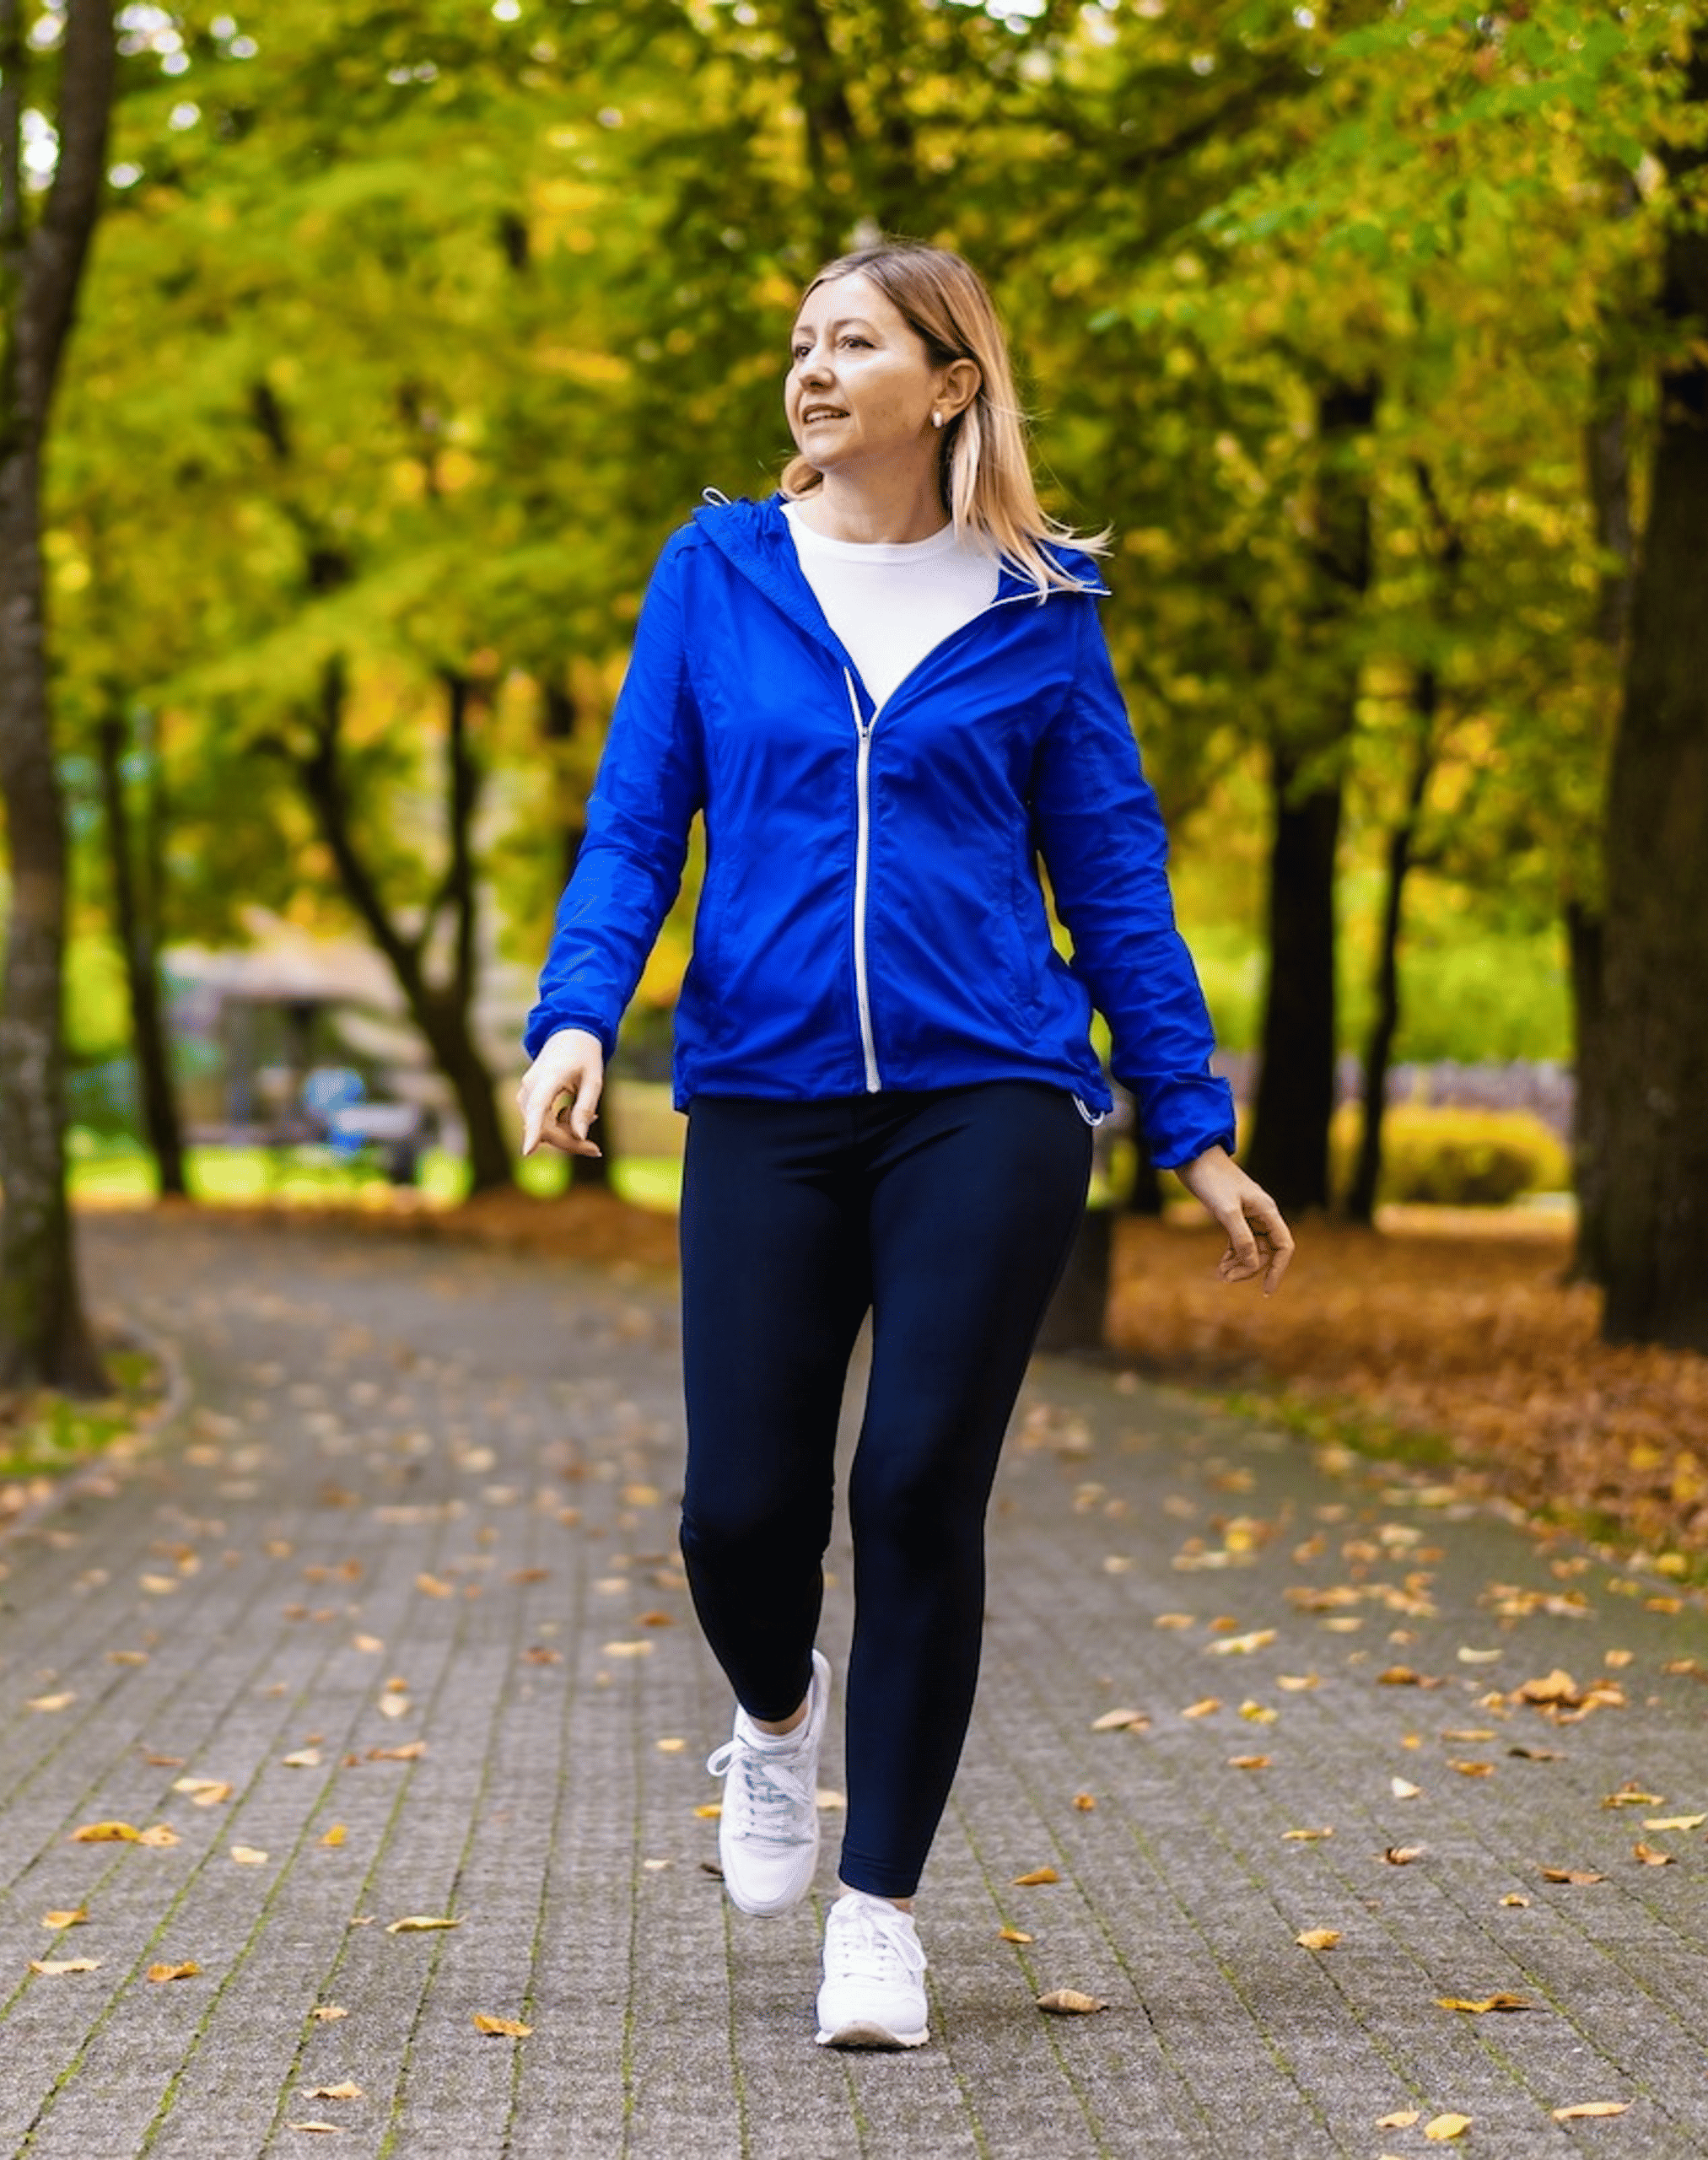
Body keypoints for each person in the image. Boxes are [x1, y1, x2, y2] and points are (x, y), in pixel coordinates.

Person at [517, 242, 1294, 2053]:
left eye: (852, 340)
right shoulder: (716, 573)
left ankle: (882, 1915)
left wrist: (1193, 1126)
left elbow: (1111, 876)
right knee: (742, 1508)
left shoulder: (1042, 604)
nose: (809, 367)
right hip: (769, 1094)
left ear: (950, 382)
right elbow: (638, 821)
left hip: (992, 1096)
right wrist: (576, 1012)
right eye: (799, 339)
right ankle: (775, 1723)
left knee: (919, 1482)